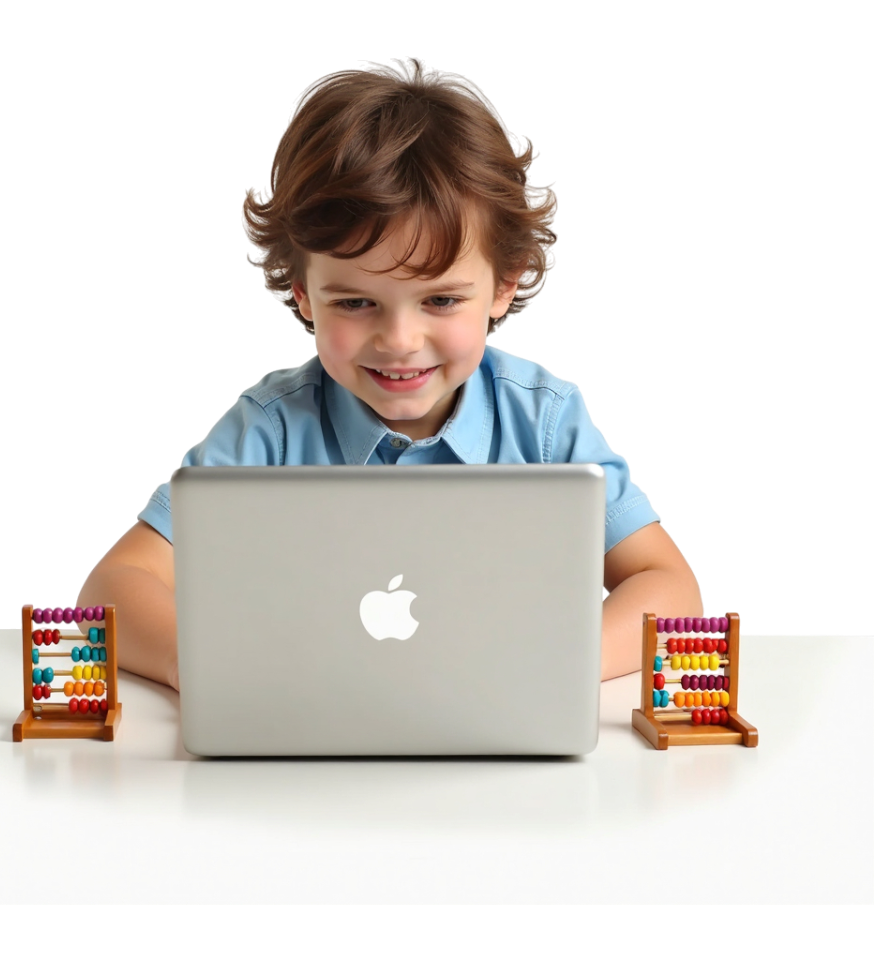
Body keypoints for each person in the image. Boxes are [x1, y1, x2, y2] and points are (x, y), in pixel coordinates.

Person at [76, 57, 702, 690]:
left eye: (441, 299)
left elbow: (670, 585)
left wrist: (560, 668)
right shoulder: (269, 429)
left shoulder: (544, 422)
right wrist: (204, 668)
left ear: (503, 285)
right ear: (304, 295)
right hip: (308, 730)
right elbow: (112, 587)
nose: (400, 341)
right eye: (355, 302)